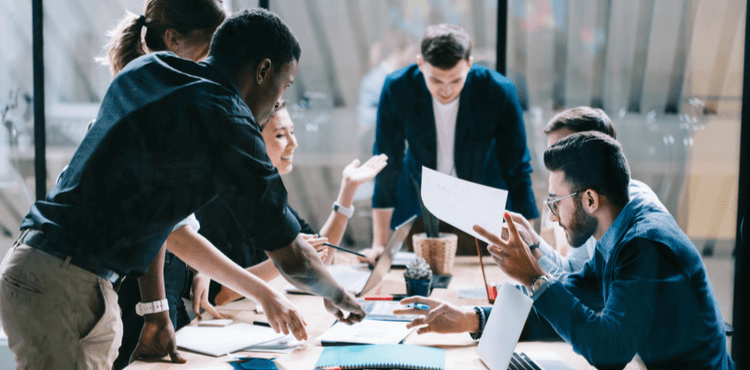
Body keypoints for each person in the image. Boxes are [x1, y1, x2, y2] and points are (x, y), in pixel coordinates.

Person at [0, 8, 365, 369]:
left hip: (43, 268)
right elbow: (292, 256)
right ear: (263, 70)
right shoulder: (227, 118)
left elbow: (156, 215)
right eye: (282, 87)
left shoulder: (150, 68)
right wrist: (336, 295)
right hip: (67, 286)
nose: (276, 105)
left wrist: (156, 311)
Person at [397, 132, 734, 369]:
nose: (553, 216)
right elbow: (573, 297)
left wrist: (536, 277)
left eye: (555, 203)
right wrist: (472, 318)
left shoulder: (643, 245)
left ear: (589, 200)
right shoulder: (617, 233)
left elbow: (609, 351)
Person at [190, 100, 388, 312]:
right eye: (280, 135)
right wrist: (285, 260)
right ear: (249, 141)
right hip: (232, 323)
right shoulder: (215, 202)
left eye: (292, 132)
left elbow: (320, 259)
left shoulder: (266, 196)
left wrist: (348, 190)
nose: (293, 143)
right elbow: (220, 295)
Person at [367, 23, 538, 261]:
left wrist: (528, 245)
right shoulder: (397, 88)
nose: (446, 90)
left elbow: (517, 168)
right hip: (421, 210)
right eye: (436, 81)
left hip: (482, 208)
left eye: (456, 81)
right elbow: (388, 165)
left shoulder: (498, 91)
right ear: (420, 64)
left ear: (469, 64)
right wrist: (379, 244)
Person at [507, 107, 667, 280]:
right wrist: (533, 241)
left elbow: (591, 298)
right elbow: (576, 274)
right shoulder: (587, 209)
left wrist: (531, 265)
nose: (553, 166)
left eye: (562, 155)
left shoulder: (623, 217)